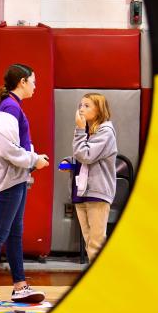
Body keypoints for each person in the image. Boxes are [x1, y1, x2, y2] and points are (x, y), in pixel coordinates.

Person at [0, 63, 48, 304]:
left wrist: (33, 159)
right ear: (22, 82)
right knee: (0, 233)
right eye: (33, 81)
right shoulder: (9, 107)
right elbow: (8, 149)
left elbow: (17, 144)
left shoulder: (12, 106)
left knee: (14, 233)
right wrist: (33, 160)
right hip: (10, 177)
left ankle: (20, 285)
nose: (35, 86)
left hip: (16, 176)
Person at [69, 92, 117, 263]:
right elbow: (81, 156)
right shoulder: (87, 130)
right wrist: (69, 162)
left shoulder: (106, 132)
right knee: (90, 241)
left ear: (99, 110)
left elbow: (87, 155)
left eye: (87, 106)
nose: (81, 109)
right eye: (80, 105)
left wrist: (79, 130)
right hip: (82, 190)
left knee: (96, 243)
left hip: (97, 192)